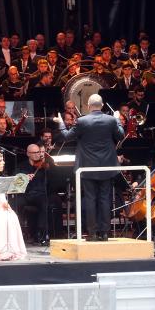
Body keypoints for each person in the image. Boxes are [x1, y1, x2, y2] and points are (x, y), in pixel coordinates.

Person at [55, 94, 124, 241]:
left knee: (90, 199)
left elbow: (66, 137)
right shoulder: (111, 120)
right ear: (102, 104)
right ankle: (104, 233)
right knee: (105, 199)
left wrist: (61, 122)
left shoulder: (82, 121)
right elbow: (121, 135)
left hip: (87, 166)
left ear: (88, 105)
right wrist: (117, 119)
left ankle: (92, 233)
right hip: (106, 165)